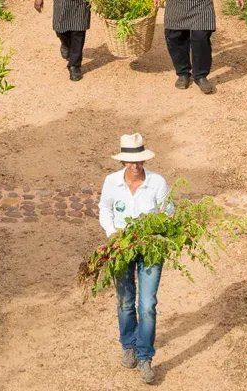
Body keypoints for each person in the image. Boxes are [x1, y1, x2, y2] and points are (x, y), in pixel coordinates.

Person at [99, 133, 172, 384]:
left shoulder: (157, 183)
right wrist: (112, 234)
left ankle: (145, 356)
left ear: (144, 160)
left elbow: (168, 213)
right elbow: (105, 209)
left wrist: (154, 233)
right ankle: (128, 344)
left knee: (148, 304)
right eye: (130, 161)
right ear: (123, 163)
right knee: (125, 301)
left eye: (139, 160)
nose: (135, 165)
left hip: (150, 250)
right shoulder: (111, 182)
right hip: (121, 248)